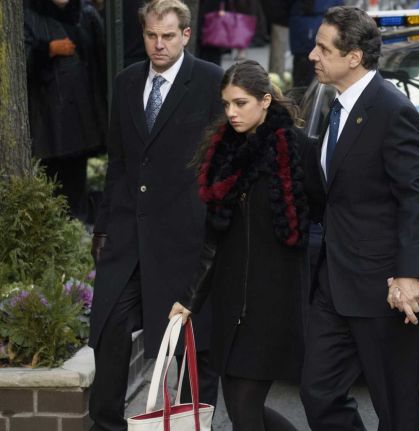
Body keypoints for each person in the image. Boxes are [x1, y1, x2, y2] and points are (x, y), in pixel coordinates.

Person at [299, 6, 419, 431]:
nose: (312, 55)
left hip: (383, 287)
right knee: (318, 393)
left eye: (323, 48)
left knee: (395, 410)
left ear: (354, 56)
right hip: (332, 282)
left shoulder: (392, 110)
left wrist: (410, 274)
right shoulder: (330, 104)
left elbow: (417, 199)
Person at [88, 0, 223, 429]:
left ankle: (187, 424)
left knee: (185, 343)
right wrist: (105, 226)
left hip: (183, 237)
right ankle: (107, 422)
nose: (158, 44)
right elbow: (120, 161)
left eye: (167, 36)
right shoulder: (127, 82)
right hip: (128, 235)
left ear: (186, 34)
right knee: (108, 329)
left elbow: (221, 164)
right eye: (150, 35)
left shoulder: (210, 82)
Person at [167, 60, 322, 431]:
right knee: (239, 409)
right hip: (231, 302)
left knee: (245, 405)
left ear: (265, 100)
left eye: (241, 103)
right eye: (226, 104)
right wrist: (190, 299)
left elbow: (322, 217)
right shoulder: (224, 154)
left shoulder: (297, 150)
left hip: (274, 303)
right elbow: (212, 239)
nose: (231, 113)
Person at [24, 0, 107, 222]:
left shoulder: (85, 15)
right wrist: (48, 49)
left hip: (80, 116)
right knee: (50, 181)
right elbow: (21, 62)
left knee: (75, 180)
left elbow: (100, 60)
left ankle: (75, 226)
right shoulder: (29, 15)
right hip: (46, 119)